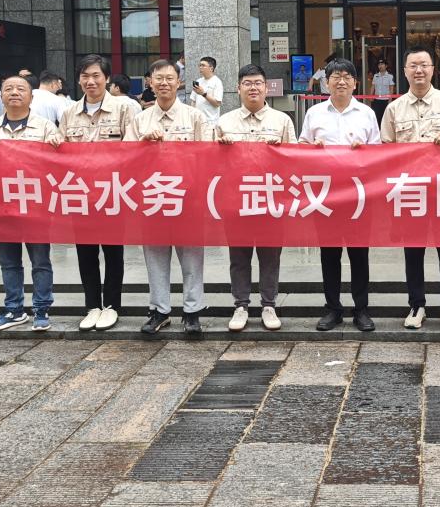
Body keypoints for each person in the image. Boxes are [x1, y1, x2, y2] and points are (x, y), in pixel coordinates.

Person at [380, 48, 440, 330]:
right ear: (405, 71)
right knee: (413, 251)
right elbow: (385, 149)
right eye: (413, 66)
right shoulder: (394, 108)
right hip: (410, 189)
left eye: (424, 65)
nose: (419, 70)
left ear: (433, 69)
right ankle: (416, 305)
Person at [299, 57, 380, 333]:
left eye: (347, 77)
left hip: (358, 196)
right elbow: (301, 146)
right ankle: (332, 308)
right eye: (336, 77)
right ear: (327, 82)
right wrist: (313, 147)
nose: (341, 82)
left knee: (359, 254)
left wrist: (364, 150)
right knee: (329, 254)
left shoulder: (366, 113)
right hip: (326, 195)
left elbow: (378, 152)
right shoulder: (314, 113)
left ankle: (361, 309)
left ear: (355, 83)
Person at [127, 59, 208, 336]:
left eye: (169, 78)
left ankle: (192, 312)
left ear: (179, 82)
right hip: (153, 199)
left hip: (188, 199)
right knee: (155, 259)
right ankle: (159, 311)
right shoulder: (140, 120)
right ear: (149, 82)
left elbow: (207, 157)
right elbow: (124, 159)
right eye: (158, 78)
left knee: (192, 259)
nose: (164, 83)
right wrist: (142, 145)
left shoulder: (194, 117)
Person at [216, 63, 297, 332]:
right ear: (238, 88)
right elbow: (212, 164)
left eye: (258, 83)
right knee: (239, 256)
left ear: (266, 87)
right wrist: (221, 150)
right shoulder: (224, 122)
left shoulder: (282, 121)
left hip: (271, 199)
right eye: (247, 83)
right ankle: (240, 305)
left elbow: (296, 161)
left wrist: (281, 151)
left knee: (270, 255)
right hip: (236, 200)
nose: (253, 88)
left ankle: (268, 305)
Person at [59, 54, 135, 332]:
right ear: (79, 80)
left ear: (106, 78)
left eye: (96, 76)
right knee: (85, 252)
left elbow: (133, 150)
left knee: (114, 253)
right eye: (85, 76)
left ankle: (112, 305)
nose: (90, 81)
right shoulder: (69, 113)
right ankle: (92, 305)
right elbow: (61, 151)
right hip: (80, 194)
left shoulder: (125, 109)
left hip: (113, 192)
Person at [0, 74, 62, 332]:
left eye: (20, 88)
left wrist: (57, 147)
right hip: (0, 204)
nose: (14, 92)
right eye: (8, 89)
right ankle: (14, 309)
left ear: (30, 96)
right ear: (1, 96)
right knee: (9, 262)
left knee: (40, 261)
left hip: (36, 204)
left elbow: (59, 165)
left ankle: (41, 308)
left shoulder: (46, 127)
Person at [188, 56, 224, 126]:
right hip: (197, 121)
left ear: (211, 68)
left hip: (211, 122)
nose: (200, 67)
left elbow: (217, 103)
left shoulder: (217, 82)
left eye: (203, 65)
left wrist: (203, 94)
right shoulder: (198, 81)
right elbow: (193, 101)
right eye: (200, 65)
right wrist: (192, 117)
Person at [370, 58, 395, 123]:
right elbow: (373, 86)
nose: (380, 66)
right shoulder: (375, 76)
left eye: (382, 64)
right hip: (377, 100)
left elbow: (391, 88)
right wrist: (371, 96)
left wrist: (390, 100)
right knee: (377, 117)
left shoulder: (390, 76)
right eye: (379, 65)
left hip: (386, 100)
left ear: (386, 66)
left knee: (386, 118)